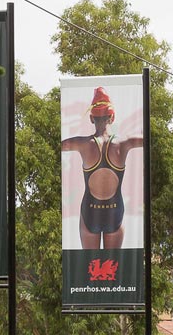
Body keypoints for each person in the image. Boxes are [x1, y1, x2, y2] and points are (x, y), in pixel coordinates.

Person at [61, 86, 143, 251]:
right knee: (113, 272)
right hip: (115, 212)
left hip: (89, 212)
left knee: (90, 270)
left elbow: (57, 145)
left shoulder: (82, 143)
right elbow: (146, 139)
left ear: (91, 119)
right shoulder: (124, 143)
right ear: (112, 117)